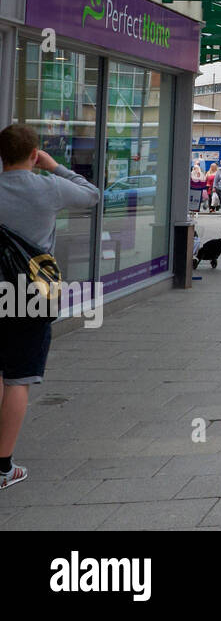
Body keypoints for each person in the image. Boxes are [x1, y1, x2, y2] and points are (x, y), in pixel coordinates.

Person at [0, 124, 101, 491]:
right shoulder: (48, 186)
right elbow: (93, 194)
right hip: (28, 296)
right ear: (33, 154)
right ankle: (3, 467)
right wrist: (54, 167)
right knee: (18, 379)